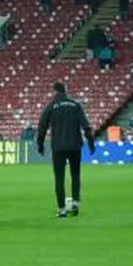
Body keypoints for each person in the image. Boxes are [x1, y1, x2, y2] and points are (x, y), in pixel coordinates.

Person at [37, 82, 95, 218]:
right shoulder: (75, 105)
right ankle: (75, 204)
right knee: (75, 175)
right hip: (75, 146)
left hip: (58, 147)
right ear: (65, 91)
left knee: (59, 177)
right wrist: (91, 143)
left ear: (54, 91)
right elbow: (86, 126)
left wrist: (40, 144)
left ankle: (62, 209)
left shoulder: (51, 106)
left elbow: (42, 127)